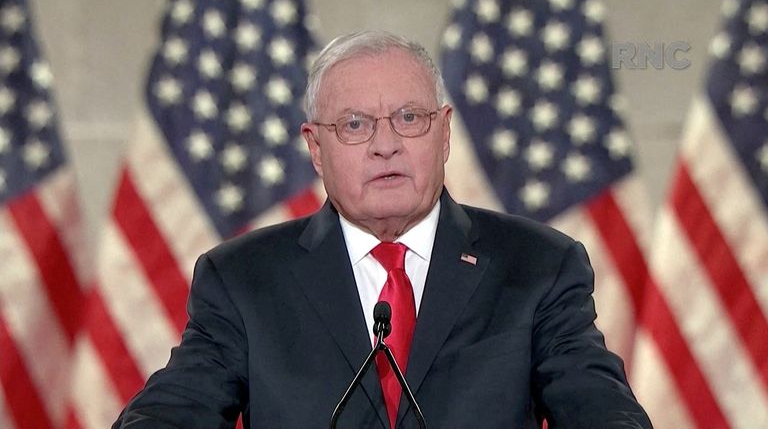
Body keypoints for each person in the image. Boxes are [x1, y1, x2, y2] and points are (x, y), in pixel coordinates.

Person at [113, 31, 652, 428]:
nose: (385, 143)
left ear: (444, 134)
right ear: (314, 148)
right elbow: (176, 409)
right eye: (354, 125)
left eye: (409, 118)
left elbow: (597, 406)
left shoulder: (537, 267)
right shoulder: (243, 280)